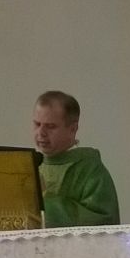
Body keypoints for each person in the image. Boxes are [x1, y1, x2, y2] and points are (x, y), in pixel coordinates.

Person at [33, 91, 120, 228]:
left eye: (50, 126)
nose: (41, 133)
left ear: (73, 129)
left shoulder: (90, 169)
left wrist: (46, 199)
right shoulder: (31, 165)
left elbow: (103, 222)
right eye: (37, 124)